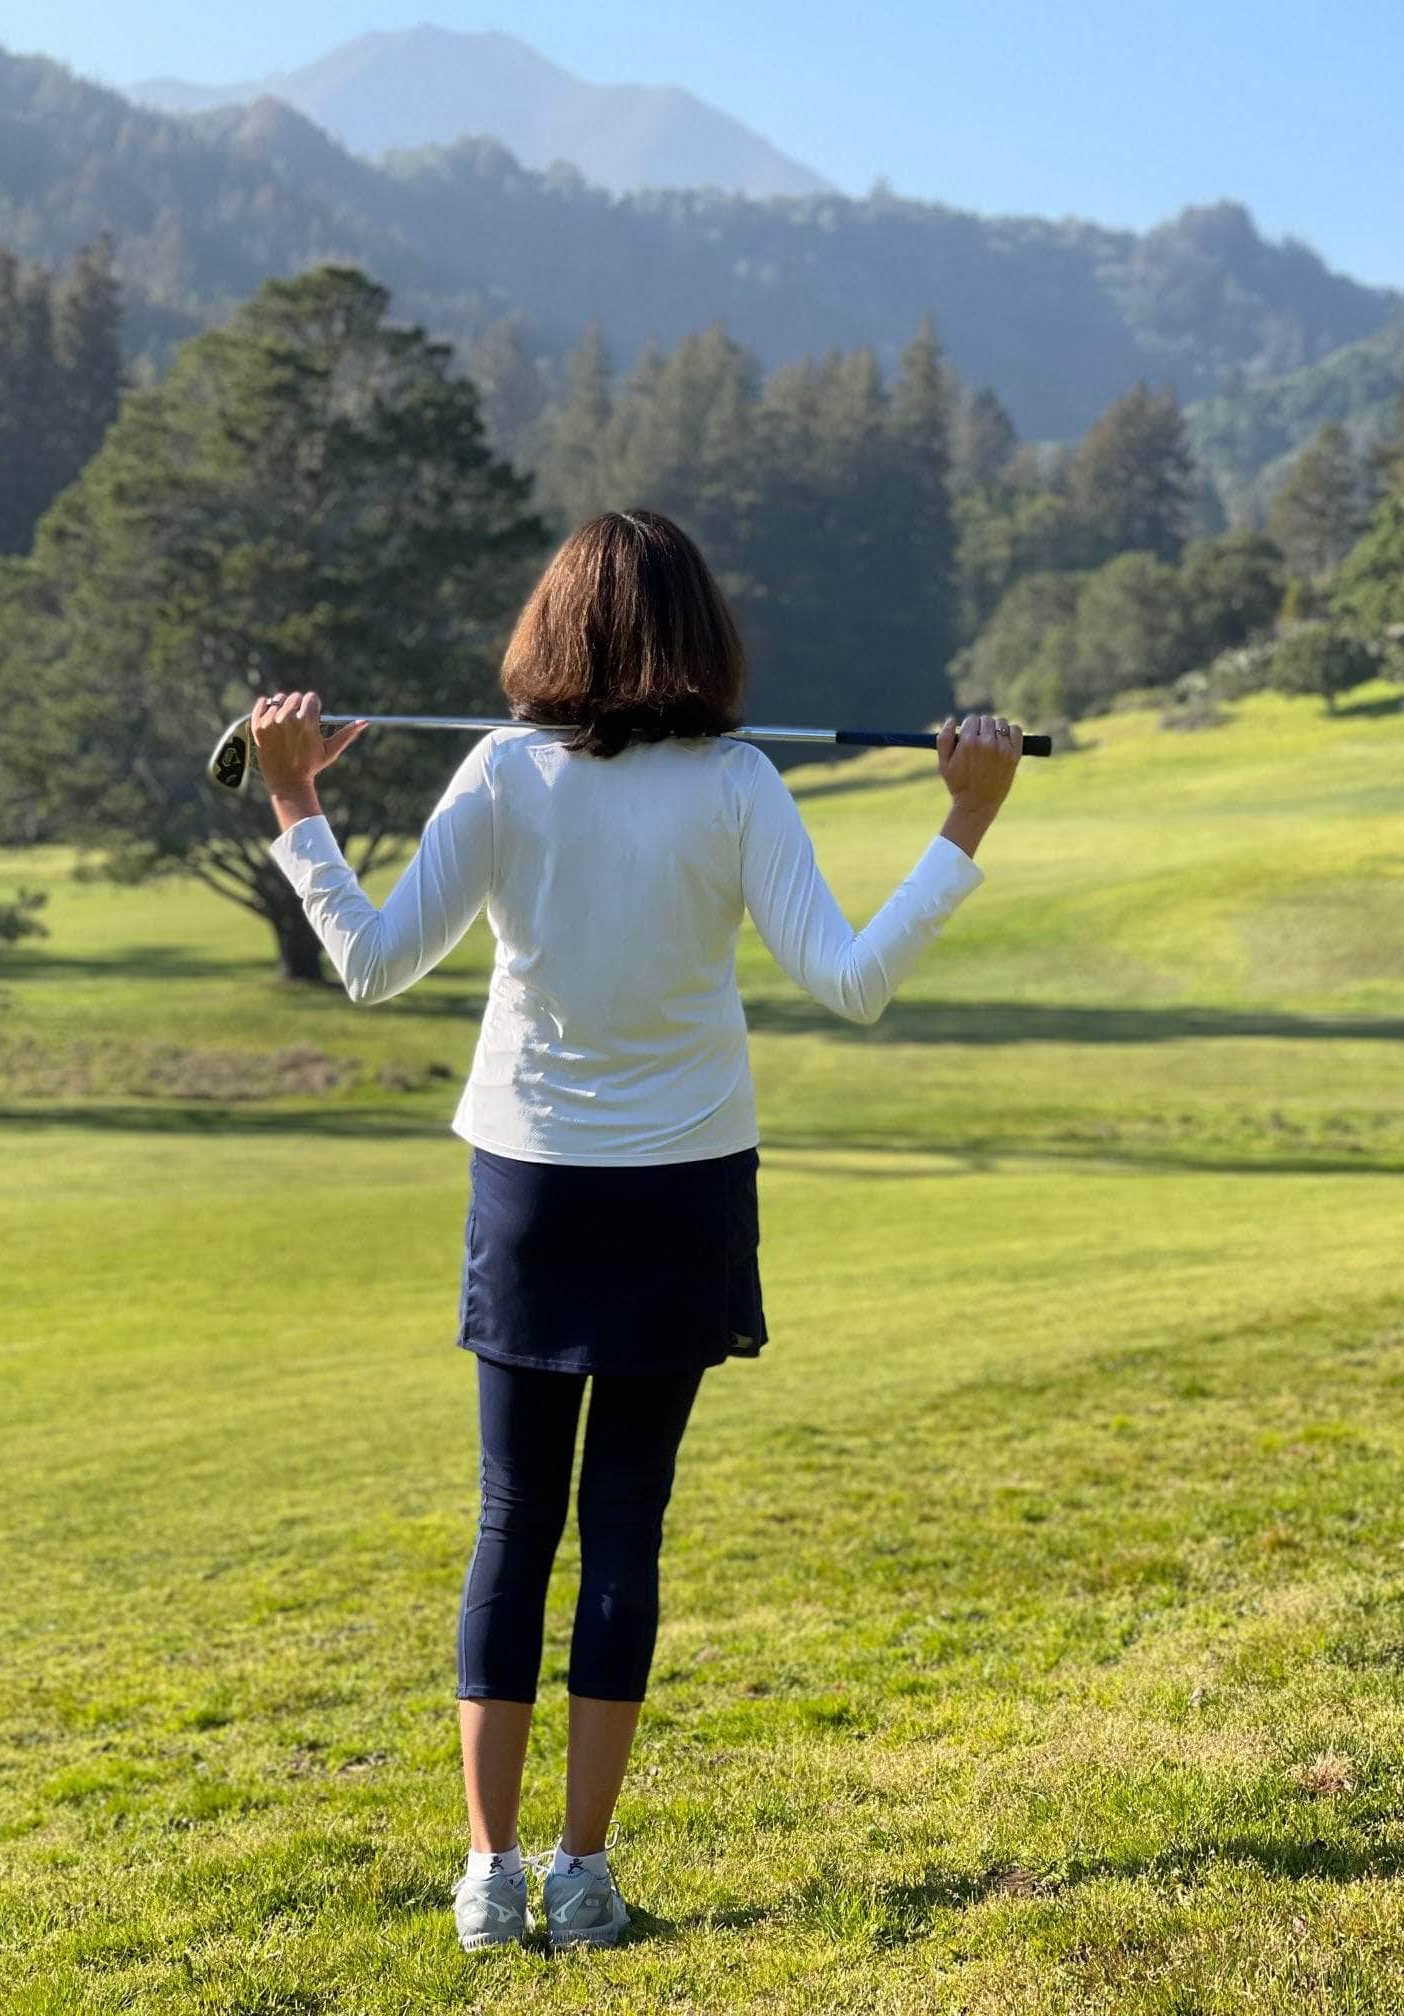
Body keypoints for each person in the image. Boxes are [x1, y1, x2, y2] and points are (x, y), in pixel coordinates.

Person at [254, 508, 1023, 1955]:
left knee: (513, 1522)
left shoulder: (503, 771)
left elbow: (367, 964)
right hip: (680, 1187)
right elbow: (850, 983)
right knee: (623, 1526)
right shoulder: (736, 781)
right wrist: (964, 818)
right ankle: (580, 1873)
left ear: (551, 634)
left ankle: (491, 1882)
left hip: (536, 1189)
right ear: (702, 638)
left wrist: (298, 800)